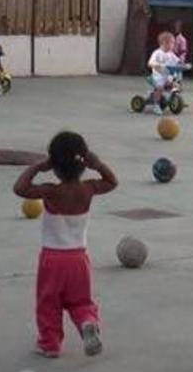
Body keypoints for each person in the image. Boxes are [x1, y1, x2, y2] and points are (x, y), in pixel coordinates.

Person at [13, 131, 118, 359]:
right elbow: (112, 182)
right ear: (83, 163)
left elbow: (19, 188)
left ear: (54, 165)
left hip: (52, 259)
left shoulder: (51, 191)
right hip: (79, 259)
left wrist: (37, 167)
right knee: (80, 301)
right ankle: (87, 323)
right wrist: (97, 164)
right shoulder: (88, 189)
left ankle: (49, 344)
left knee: (48, 303)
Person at [146, 32, 182, 115]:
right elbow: (150, 63)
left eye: (173, 43)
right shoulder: (157, 53)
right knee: (160, 87)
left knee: (176, 84)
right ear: (164, 43)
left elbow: (178, 62)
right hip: (157, 76)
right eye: (172, 43)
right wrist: (156, 64)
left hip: (168, 76)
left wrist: (185, 65)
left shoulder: (171, 54)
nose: (173, 45)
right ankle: (156, 105)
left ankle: (173, 99)